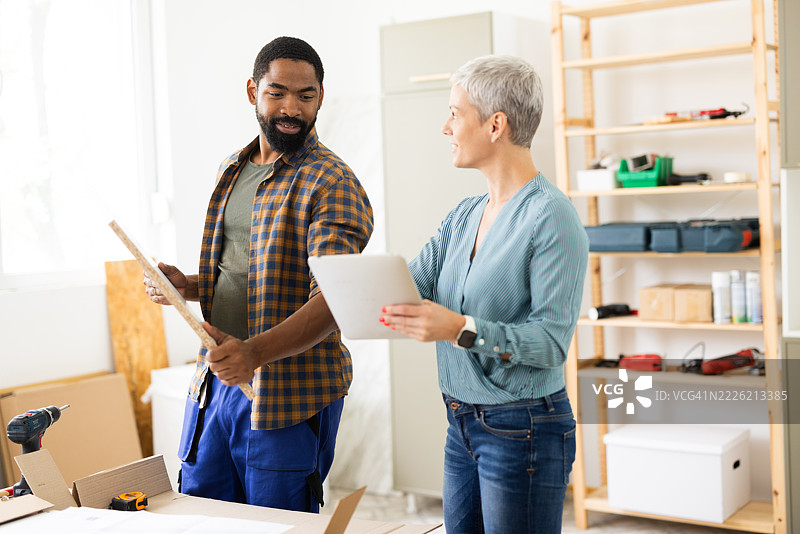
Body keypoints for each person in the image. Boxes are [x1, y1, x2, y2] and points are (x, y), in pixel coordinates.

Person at [143, 36, 373, 513]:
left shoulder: (333, 183)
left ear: (320, 97)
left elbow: (333, 300)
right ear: (253, 92)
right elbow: (247, 271)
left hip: (289, 394)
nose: (291, 107)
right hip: (216, 385)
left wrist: (254, 353)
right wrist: (184, 286)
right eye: (277, 93)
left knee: (276, 523)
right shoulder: (232, 169)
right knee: (203, 516)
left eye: (305, 95)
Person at [380, 55, 588, 533]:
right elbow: (413, 282)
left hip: (524, 429)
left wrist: (459, 328)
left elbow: (551, 343)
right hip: (460, 422)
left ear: (496, 125)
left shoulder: (551, 217)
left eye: (455, 113)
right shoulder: (464, 214)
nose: (445, 127)